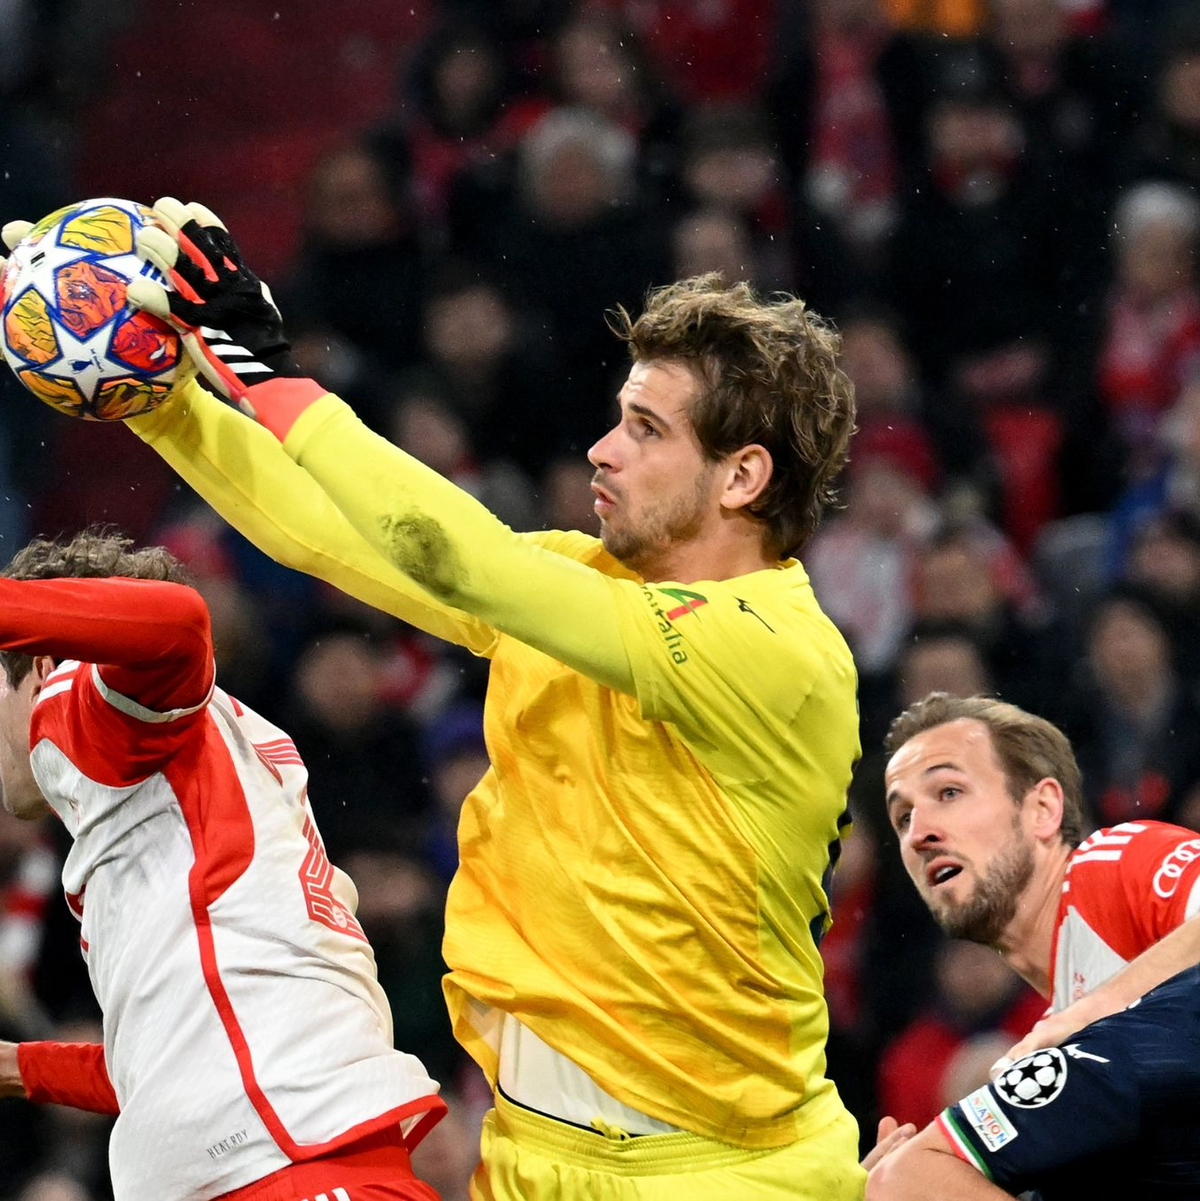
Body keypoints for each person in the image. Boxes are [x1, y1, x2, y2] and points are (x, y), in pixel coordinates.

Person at [21, 199, 865, 1198]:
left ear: (743, 477)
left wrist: (267, 373)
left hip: (722, 1173)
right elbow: (331, 534)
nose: (602, 450)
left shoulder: (773, 648)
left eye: (645, 430)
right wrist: (166, 406)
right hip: (531, 1156)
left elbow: (448, 553)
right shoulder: (577, 584)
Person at [0, 527, 444, 1200]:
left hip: (284, 1170)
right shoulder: (194, 769)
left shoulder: (91, 701)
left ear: (39, 666)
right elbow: (179, 1058)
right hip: (293, 1154)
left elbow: (177, 619)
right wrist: (20, 1066)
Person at [869, 691, 1200, 1196]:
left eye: (949, 792)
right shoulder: (1055, 1026)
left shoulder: (1112, 863)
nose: (919, 835)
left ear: (1042, 809)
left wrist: (1098, 1009)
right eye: (903, 818)